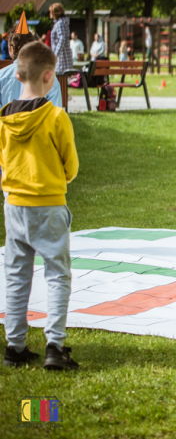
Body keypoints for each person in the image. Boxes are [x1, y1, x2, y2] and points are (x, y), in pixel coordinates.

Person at [0, 41, 79, 370]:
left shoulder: (3, 118)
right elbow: (71, 167)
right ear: (50, 77)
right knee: (57, 275)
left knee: (17, 276)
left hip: (14, 206)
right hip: (48, 205)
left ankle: (15, 346)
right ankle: (54, 346)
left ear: (18, 74)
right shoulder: (57, 117)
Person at [0, 12, 62, 110]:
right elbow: (56, 112)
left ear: (11, 49)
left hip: (6, 124)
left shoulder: (1, 76)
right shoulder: (49, 77)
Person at [49, 3, 72, 74]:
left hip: (61, 57)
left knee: (60, 77)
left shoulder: (60, 23)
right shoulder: (63, 22)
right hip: (64, 55)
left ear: (55, 13)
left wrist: (56, 54)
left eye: (51, 12)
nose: (49, 13)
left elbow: (62, 38)